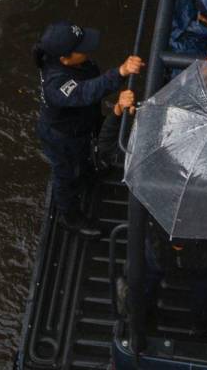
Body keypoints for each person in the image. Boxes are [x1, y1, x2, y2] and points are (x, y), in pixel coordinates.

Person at [35, 21, 144, 237]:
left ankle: (87, 172)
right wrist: (120, 72)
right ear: (65, 58)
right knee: (65, 176)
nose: (87, 50)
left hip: (82, 121)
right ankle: (70, 218)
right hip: (63, 137)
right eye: (81, 48)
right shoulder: (55, 84)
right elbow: (85, 92)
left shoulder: (72, 64)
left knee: (84, 158)